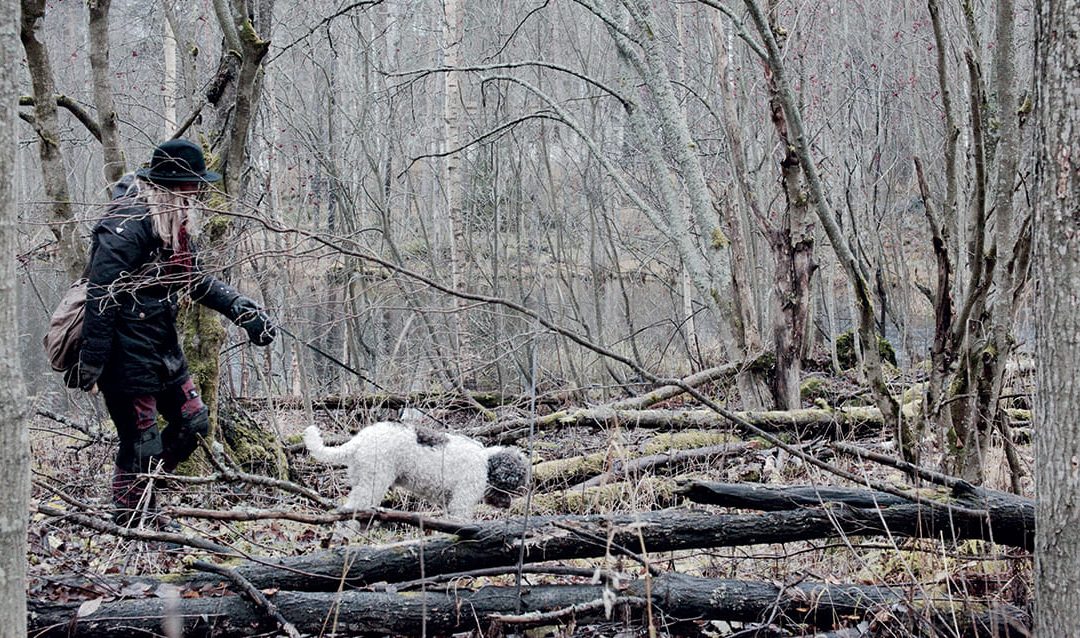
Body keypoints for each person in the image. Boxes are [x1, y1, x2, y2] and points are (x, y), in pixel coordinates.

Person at [67, 139, 276, 527]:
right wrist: (92, 362)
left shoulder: (174, 223)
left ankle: (142, 493)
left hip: (162, 350)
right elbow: (101, 295)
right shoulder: (125, 225)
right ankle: (133, 518)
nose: (198, 194)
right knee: (140, 441)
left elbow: (193, 280)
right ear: (173, 184)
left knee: (193, 423)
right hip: (124, 357)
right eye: (193, 186)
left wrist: (241, 309)